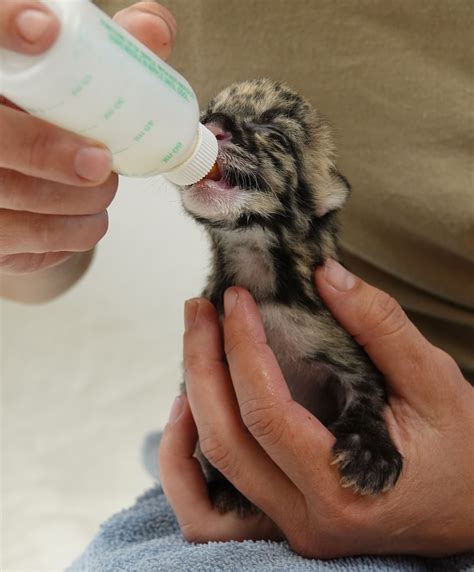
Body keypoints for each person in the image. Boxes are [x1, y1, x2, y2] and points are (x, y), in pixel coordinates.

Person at [1, 0, 472, 564]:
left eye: (271, 132)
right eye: (212, 118)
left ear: (320, 200)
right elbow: (38, 265)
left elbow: (358, 387)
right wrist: (29, 217)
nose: (214, 130)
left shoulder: (320, 313)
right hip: (249, 476)